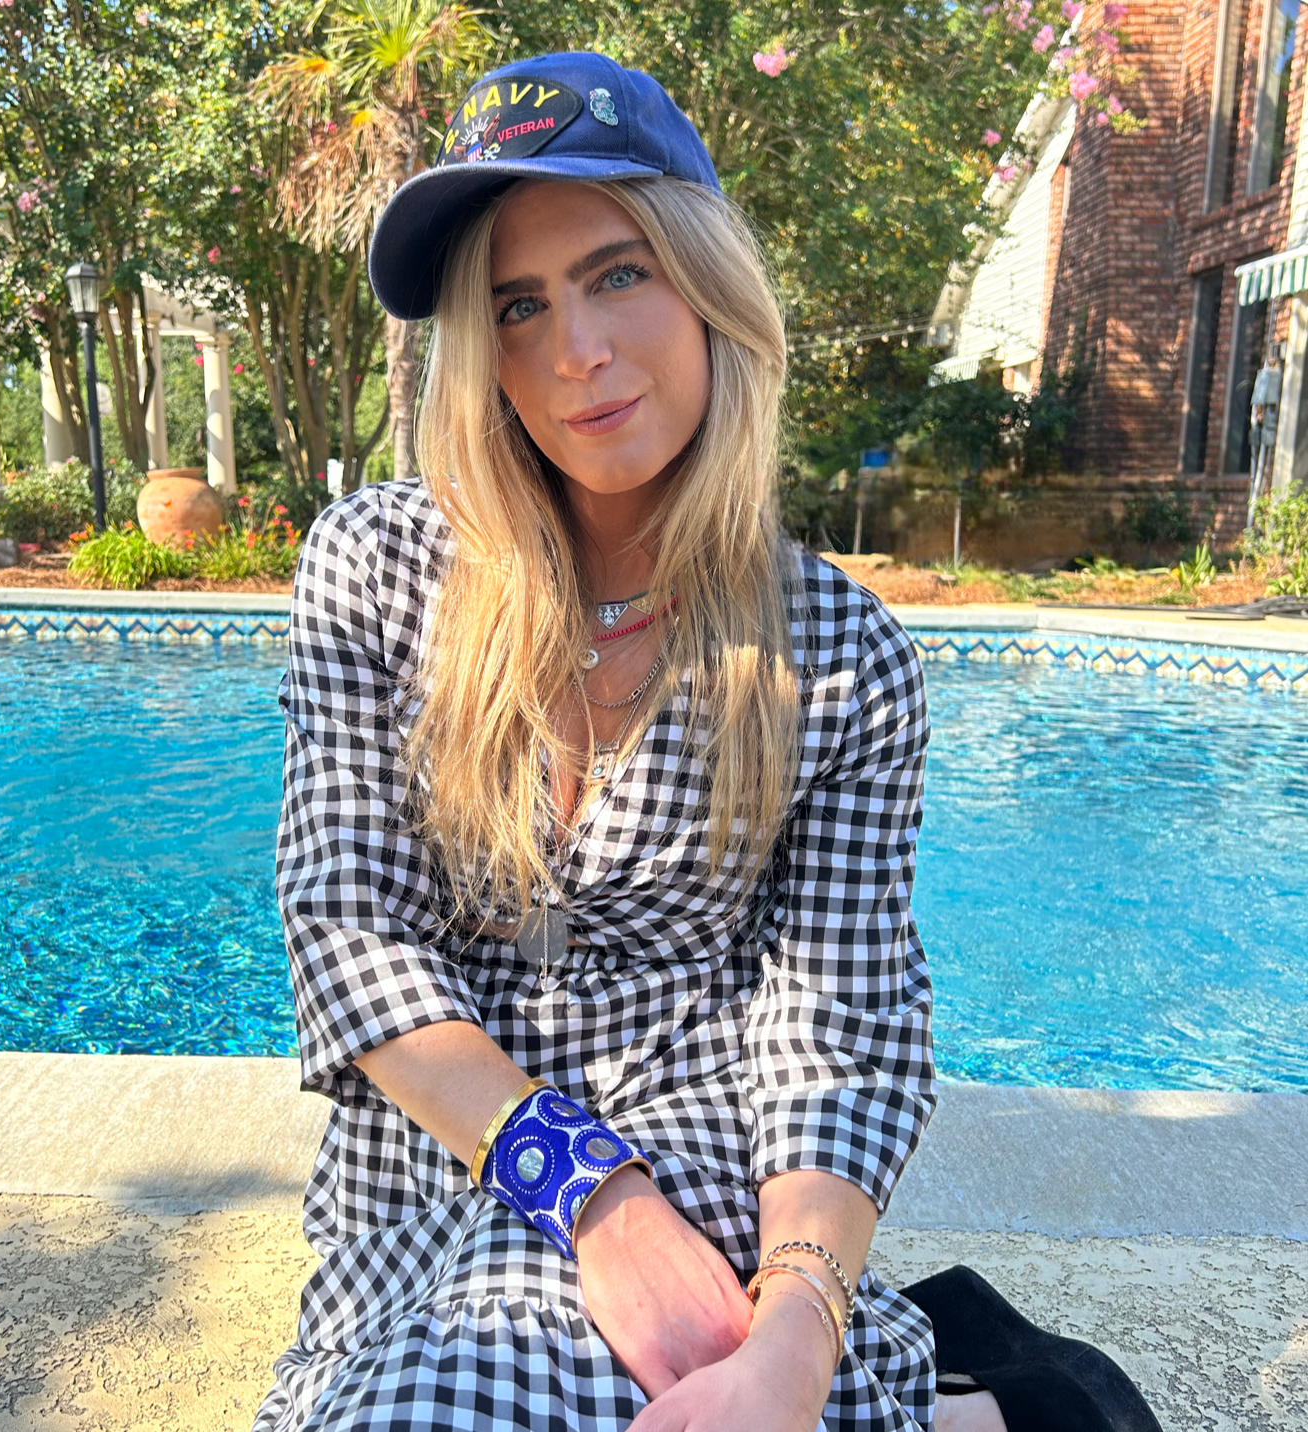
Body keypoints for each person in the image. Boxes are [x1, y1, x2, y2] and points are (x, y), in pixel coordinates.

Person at [256, 51, 1157, 1432]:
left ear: (707, 283)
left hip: (705, 1163)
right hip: (440, 1160)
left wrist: (797, 1330)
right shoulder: (378, 567)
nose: (575, 351)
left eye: (617, 273)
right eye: (517, 305)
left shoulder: (836, 655)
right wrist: (592, 1199)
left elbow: (835, 1032)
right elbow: (347, 928)